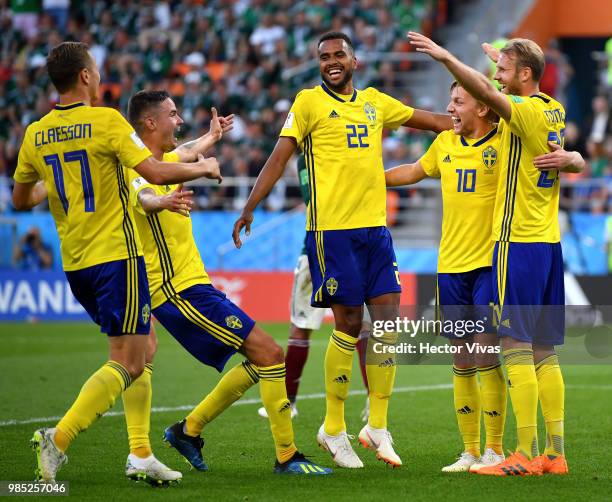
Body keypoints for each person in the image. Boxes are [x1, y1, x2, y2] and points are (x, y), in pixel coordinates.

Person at [233, 31, 453, 469]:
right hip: (330, 233)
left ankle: (377, 426)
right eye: (324, 56)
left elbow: (433, 121)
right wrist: (251, 205)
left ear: (355, 60)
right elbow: (279, 158)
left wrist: (492, 117)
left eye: (339, 55)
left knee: (388, 323)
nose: (331, 61)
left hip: (375, 230)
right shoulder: (307, 102)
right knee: (348, 325)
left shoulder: (375, 101)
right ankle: (334, 428)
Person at [12, 41, 221, 484]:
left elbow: (21, 197)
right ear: (86, 77)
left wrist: (59, 183)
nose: (100, 76)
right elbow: (157, 172)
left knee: (144, 349)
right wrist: (203, 168)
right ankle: (58, 438)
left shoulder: (35, 133)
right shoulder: (106, 121)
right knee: (128, 361)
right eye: (97, 69)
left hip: (75, 262)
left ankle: (141, 453)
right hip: (117, 258)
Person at [125, 90, 331, 476]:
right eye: (173, 113)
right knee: (270, 354)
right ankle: (287, 457)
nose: (180, 120)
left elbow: (184, 151)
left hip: (193, 286)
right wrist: (179, 188)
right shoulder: (137, 168)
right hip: (175, 291)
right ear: (150, 122)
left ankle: (188, 430)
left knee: (264, 358)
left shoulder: (161, 159)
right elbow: (148, 196)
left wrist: (211, 138)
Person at [408, 32, 585, 476]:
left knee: (516, 348)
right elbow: (569, 154)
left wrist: (447, 56)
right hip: (548, 241)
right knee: (546, 351)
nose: (497, 79)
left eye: (505, 72)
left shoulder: (522, 111)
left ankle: (522, 455)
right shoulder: (554, 109)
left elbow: (488, 94)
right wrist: (575, 158)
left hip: (516, 244)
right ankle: (556, 453)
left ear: (525, 75)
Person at [386, 81, 507, 473]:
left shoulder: (504, 141)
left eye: (458, 101)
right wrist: (367, 175)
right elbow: (412, 171)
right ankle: (470, 451)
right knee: (462, 357)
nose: (449, 107)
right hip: (450, 267)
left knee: (487, 354)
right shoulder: (444, 145)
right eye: (450, 99)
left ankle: (496, 450)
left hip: (489, 264)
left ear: (483, 108)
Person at [256, 155, 371, 421]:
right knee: (310, 326)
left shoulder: (321, 154)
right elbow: (317, 198)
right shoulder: (307, 160)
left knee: (360, 327)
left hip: (337, 248)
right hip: (324, 249)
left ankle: (371, 400)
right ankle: (291, 401)